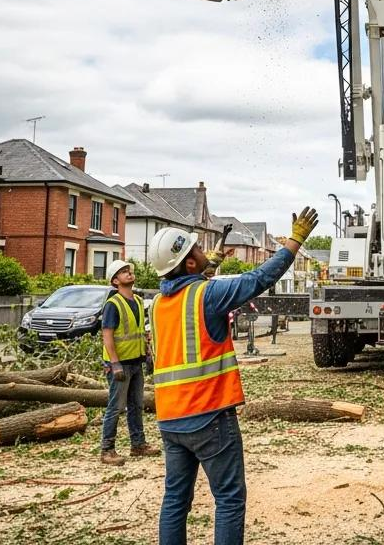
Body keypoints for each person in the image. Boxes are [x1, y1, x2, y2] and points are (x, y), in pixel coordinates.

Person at [150, 208, 318, 545]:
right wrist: (294, 242)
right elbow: (259, 279)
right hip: (208, 415)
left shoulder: (157, 303)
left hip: (170, 419)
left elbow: (191, 280)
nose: (202, 249)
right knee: (228, 498)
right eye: (196, 249)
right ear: (190, 264)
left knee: (175, 501)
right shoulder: (207, 296)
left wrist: (210, 260)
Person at [100, 259, 160, 465]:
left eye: (129, 270)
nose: (129, 273)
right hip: (120, 364)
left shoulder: (136, 300)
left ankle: (138, 444)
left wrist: (147, 352)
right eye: (123, 272)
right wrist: (114, 364)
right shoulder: (113, 304)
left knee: (136, 405)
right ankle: (107, 450)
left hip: (135, 361)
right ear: (115, 281)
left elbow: (138, 331)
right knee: (115, 407)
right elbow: (107, 335)